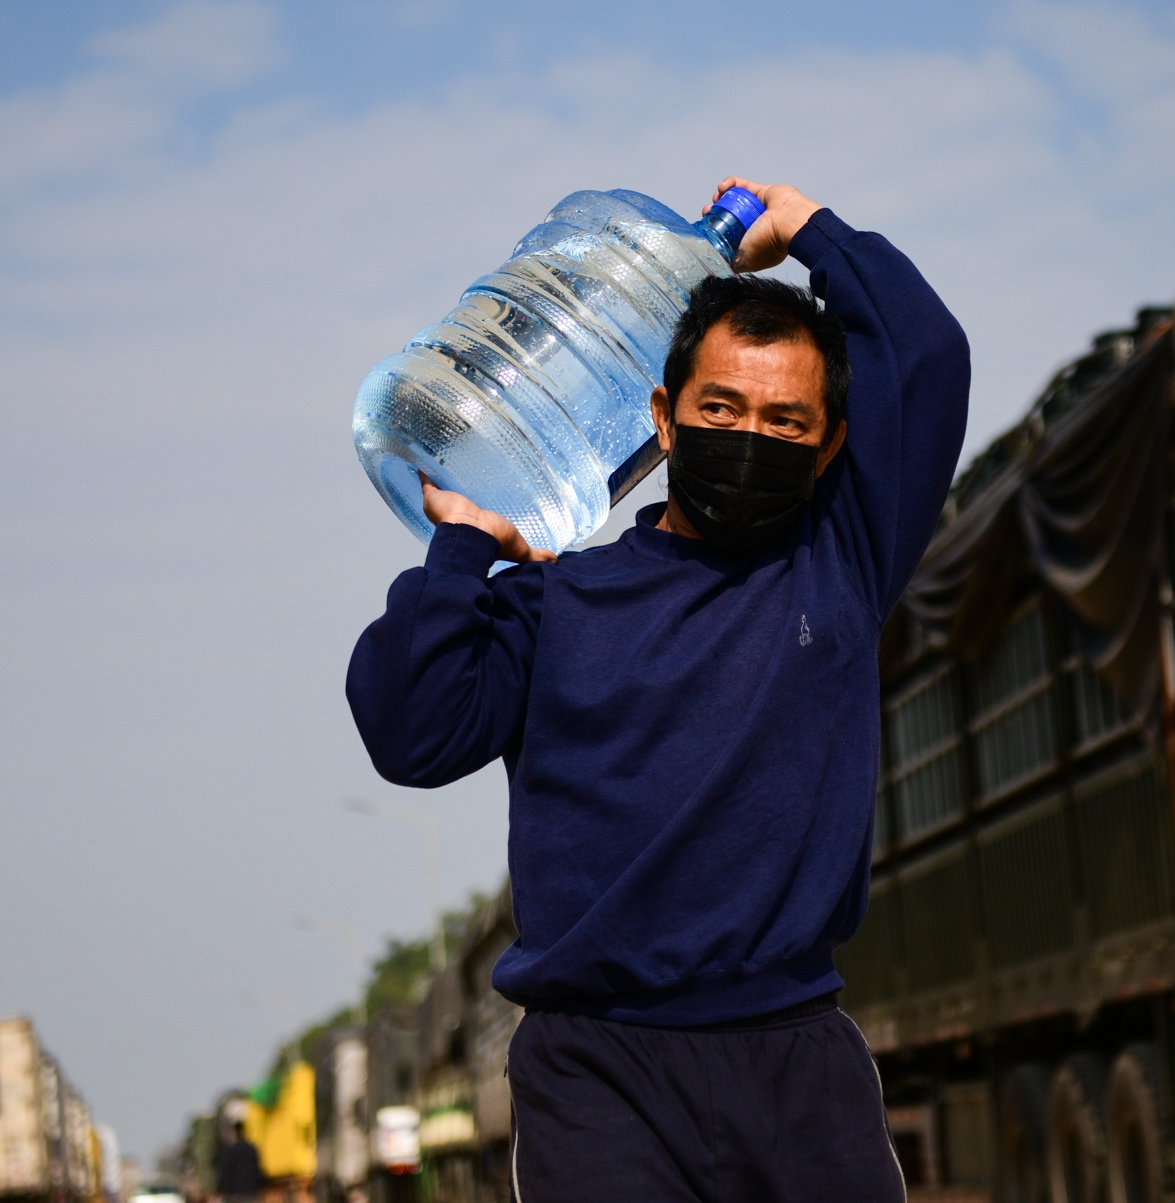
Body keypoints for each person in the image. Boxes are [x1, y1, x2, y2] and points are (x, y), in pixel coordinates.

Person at [346, 178, 971, 1201]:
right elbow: (411, 732)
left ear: (828, 448)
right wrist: (462, 545)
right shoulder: (555, 608)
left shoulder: (839, 565)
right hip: (600, 1075)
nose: (748, 434)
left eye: (783, 419)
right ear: (661, 421)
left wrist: (807, 227)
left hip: (795, 1062)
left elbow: (926, 355)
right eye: (719, 406)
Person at [213, 1118, 263, 1203]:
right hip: (251, 1194)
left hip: (235, 1195)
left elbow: (225, 1172)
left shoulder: (230, 1151)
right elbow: (258, 1171)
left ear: (235, 1132)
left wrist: (220, 1188)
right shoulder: (252, 1150)